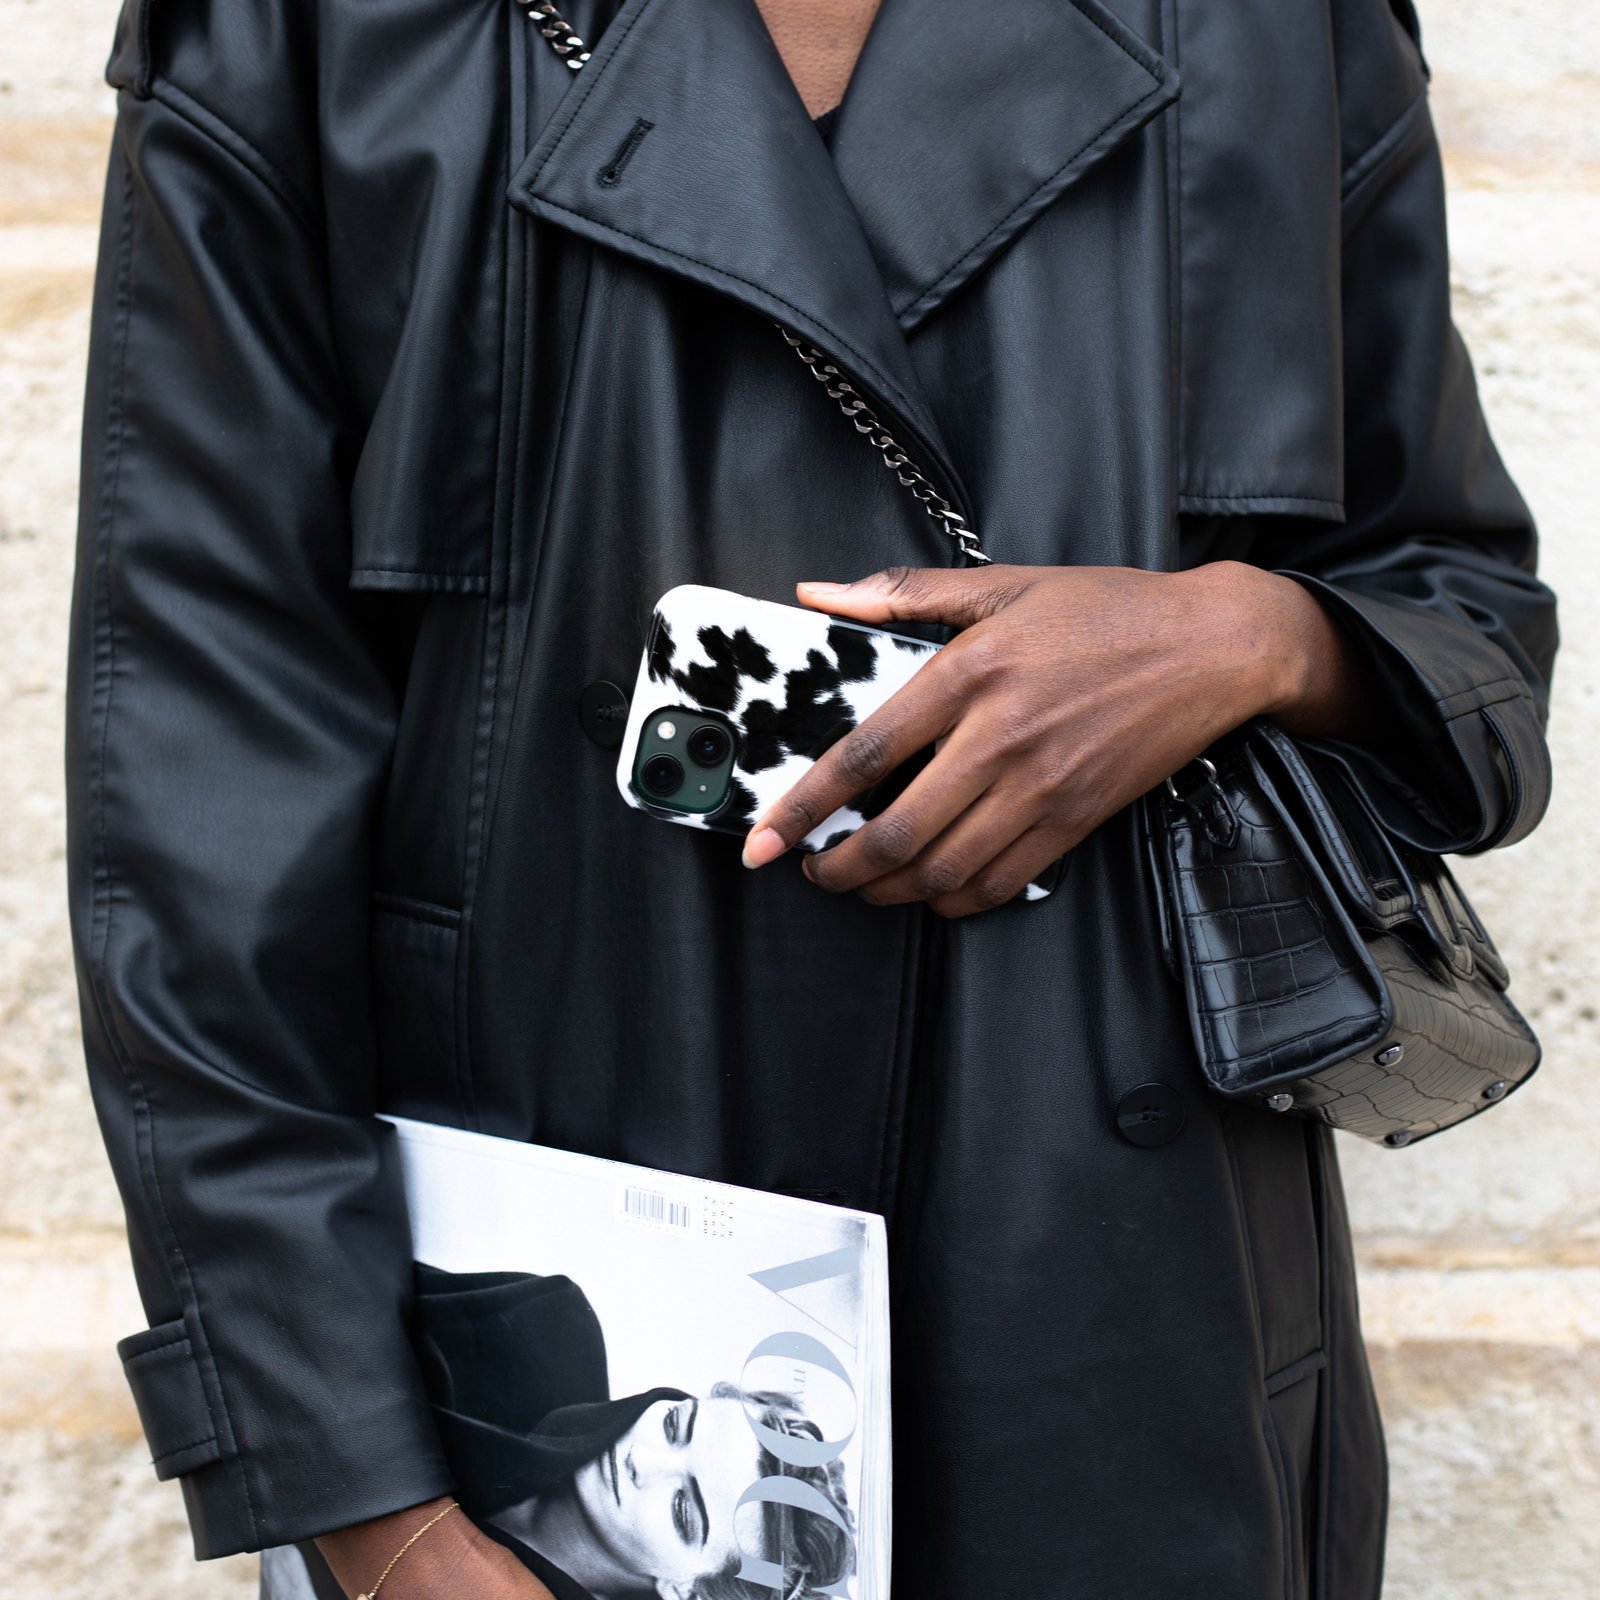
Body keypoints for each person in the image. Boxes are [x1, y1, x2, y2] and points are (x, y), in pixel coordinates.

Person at [66, 0, 1558, 1596]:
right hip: (524, 1346)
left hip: (1128, 1326)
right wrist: (366, 1500)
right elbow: (196, 774)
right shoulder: (307, 30)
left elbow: (1465, 626)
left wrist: (1247, 637)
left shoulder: (1276, 27)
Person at [265, 1268, 854, 1600]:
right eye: (676, 1425)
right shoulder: (540, 1328)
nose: (643, 1460)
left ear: (686, 1590)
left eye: (683, 1508)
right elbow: (301, 1309)